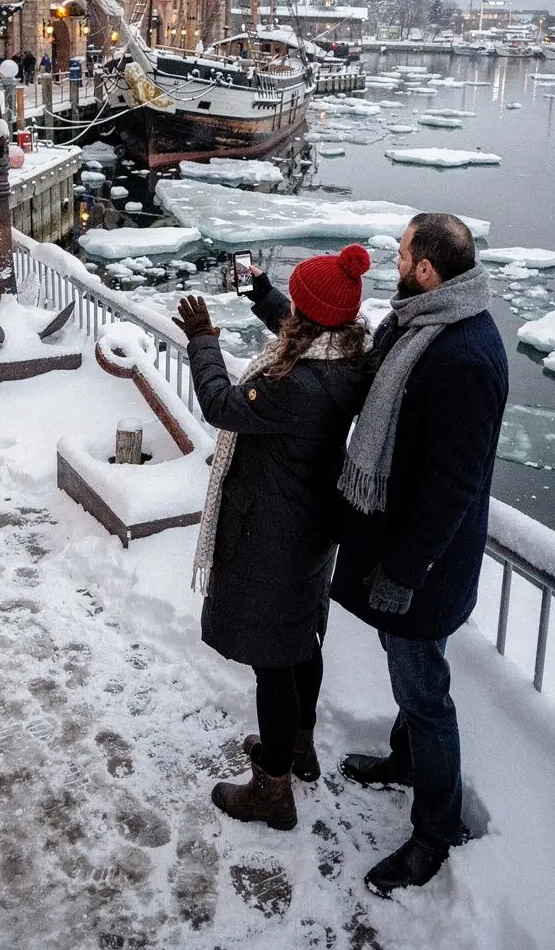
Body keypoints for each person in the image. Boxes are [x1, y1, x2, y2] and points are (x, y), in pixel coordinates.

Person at [331, 213, 508, 897]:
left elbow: (453, 486)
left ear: (427, 269)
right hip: (399, 543)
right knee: (408, 669)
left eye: (402, 252)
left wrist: (405, 572)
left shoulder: (464, 356)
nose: (393, 259)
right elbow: (367, 380)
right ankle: (406, 761)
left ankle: (439, 830)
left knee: (423, 689)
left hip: (422, 562)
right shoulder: (422, 322)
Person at [171, 245, 374, 831]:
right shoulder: (350, 355)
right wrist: (263, 295)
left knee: (272, 664)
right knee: (301, 637)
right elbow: (309, 327)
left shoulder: (295, 386)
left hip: (272, 535)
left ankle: (273, 789)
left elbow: (222, 404)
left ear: (309, 318)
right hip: (311, 528)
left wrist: (203, 340)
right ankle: (301, 746)